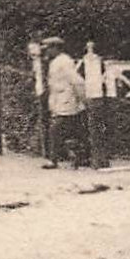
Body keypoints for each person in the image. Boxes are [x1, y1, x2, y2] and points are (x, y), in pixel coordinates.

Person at [43, 37, 90, 168]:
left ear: (55, 48)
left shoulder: (64, 61)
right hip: (59, 100)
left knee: (56, 129)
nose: (46, 52)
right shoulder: (55, 62)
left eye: (48, 49)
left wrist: (83, 98)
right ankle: (83, 157)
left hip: (67, 100)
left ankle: (53, 160)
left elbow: (76, 80)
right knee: (75, 129)